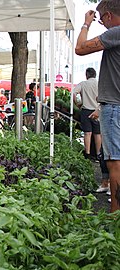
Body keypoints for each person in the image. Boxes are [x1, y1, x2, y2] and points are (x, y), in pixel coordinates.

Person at [75, 0, 120, 212]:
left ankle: (115, 212)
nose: (101, 23)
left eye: (101, 19)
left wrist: (86, 24)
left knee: (114, 161)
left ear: (109, 15)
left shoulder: (116, 32)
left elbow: (80, 48)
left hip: (114, 106)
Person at [73, 67, 101, 160]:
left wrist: (77, 103)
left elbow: (73, 93)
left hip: (86, 111)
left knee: (87, 133)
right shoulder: (99, 84)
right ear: (95, 74)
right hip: (97, 111)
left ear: (87, 75)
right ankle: (98, 154)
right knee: (97, 134)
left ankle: (88, 154)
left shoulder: (83, 84)